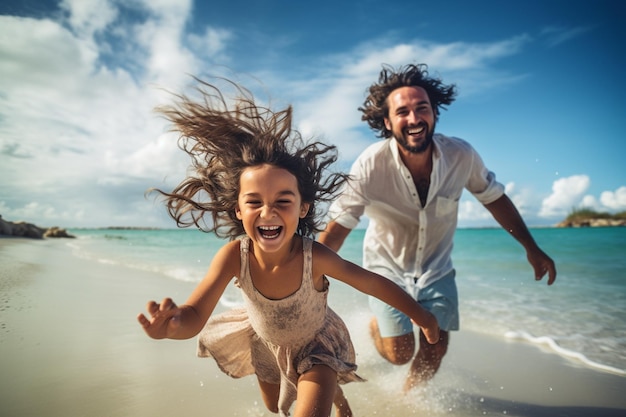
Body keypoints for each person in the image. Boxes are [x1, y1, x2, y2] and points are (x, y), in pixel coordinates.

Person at [137, 78, 440, 417]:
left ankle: (329, 391)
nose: (268, 212)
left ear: (303, 208)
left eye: (283, 200)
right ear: (238, 210)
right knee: (274, 406)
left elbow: (372, 282)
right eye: (254, 202)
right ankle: (336, 395)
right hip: (267, 345)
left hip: (318, 346)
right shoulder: (233, 257)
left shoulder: (314, 256)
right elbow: (194, 315)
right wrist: (174, 325)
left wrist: (422, 315)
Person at [318, 63, 557, 392]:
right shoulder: (371, 165)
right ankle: (378, 328)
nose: (414, 119)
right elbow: (340, 225)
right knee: (400, 354)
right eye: (403, 112)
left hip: (437, 267)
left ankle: (409, 401)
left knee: (436, 347)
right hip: (386, 268)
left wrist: (532, 247)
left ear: (434, 114)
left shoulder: (461, 155)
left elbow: (494, 198)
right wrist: (305, 275)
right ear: (388, 122)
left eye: (422, 109)